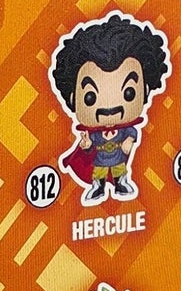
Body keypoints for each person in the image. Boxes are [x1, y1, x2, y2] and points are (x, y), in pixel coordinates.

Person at [50, 13, 171, 204]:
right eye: (90, 97)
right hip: (100, 160)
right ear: (73, 99)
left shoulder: (126, 129)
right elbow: (89, 147)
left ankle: (120, 182)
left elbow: (131, 135)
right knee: (99, 173)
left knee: (119, 171)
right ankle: (98, 186)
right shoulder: (93, 133)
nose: (111, 108)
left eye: (129, 93)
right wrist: (86, 145)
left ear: (145, 90)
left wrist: (129, 141)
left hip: (118, 159)